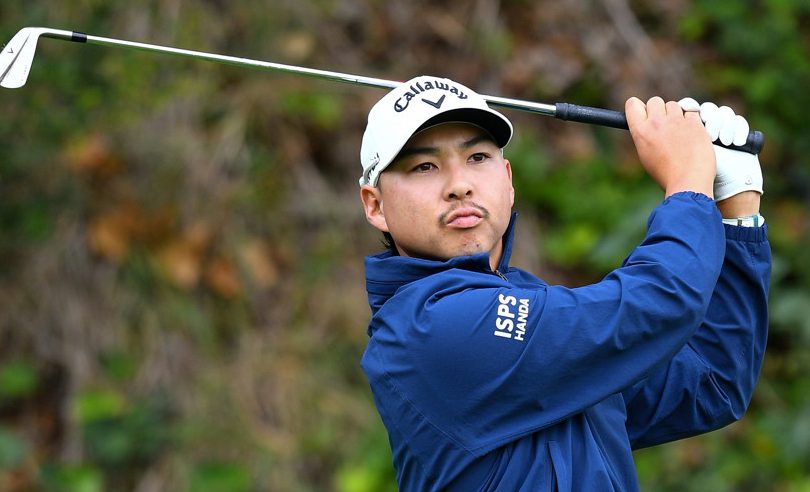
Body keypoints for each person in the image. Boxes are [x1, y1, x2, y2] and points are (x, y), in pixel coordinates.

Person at [357, 75, 770, 491]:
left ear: (508, 179)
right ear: (375, 206)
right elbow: (660, 302)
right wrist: (689, 182)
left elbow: (710, 383)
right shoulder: (430, 328)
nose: (459, 185)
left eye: (477, 157)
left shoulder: (526, 300)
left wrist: (737, 208)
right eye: (424, 166)